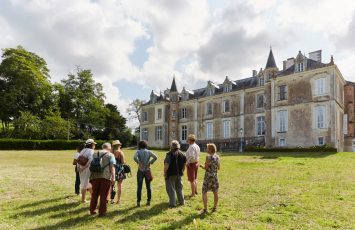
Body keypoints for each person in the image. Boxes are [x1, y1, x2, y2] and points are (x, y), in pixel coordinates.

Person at [90, 143, 116, 217]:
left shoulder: (94, 154)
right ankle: (102, 212)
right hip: (105, 177)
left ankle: (92, 211)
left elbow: (90, 165)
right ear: (109, 148)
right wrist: (113, 177)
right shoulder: (110, 155)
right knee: (103, 195)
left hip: (94, 177)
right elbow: (112, 167)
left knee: (94, 195)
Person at [133, 140, 157, 207]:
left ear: (139, 145)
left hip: (140, 171)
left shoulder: (138, 151)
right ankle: (148, 201)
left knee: (139, 187)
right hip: (147, 170)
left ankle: (138, 202)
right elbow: (155, 157)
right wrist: (150, 162)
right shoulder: (149, 152)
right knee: (148, 187)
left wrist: (138, 162)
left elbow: (134, 157)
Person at [164, 140, 187, 207]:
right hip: (179, 174)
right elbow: (184, 165)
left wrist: (165, 173)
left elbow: (166, 165)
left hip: (170, 174)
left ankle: (172, 203)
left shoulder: (169, 154)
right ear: (178, 146)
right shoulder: (183, 154)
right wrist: (182, 171)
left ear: (171, 146)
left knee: (171, 189)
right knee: (179, 188)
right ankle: (182, 202)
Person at [200, 143, 220, 214]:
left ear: (210, 150)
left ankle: (205, 209)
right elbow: (219, 168)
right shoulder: (217, 157)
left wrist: (201, 166)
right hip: (215, 176)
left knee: (204, 191)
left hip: (208, 176)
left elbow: (206, 168)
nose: (206, 149)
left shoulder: (208, 157)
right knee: (215, 192)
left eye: (207, 148)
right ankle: (215, 207)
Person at [77, 139, 96, 203]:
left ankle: (92, 196)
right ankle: (83, 200)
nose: (94, 145)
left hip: (81, 169)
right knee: (85, 184)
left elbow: (78, 160)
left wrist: (79, 168)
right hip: (87, 169)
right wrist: (84, 167)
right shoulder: (91, 151)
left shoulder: (82, 150)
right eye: (94, 144)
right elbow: (90, 160)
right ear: (91, 145)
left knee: (87, 183)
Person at [110, 140, 126, 205]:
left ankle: (111, 199)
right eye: (120, 144)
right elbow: (123, 162)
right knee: (119, 185)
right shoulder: (120, 152)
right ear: (118, 145)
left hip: (112, 168)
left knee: (111, 185)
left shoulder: (111, 152)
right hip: (119, 169)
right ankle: (118, 200)